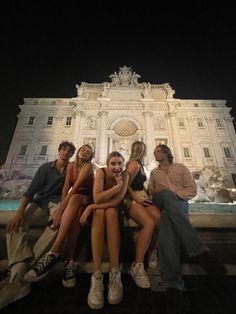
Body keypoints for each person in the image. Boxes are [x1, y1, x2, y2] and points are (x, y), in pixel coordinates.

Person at [148, 144, 227, 314]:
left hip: (177, 205)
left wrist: (174, 195)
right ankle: (200, 252)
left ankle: (173, 289)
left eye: (158, 150)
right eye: (154, 152)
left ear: (167, 153)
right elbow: (150, 191)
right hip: (161, 201)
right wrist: (161, 191)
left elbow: (192, 189)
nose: (155, 153)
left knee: (168, 231)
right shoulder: (154, 173)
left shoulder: (182, 168)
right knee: (166, 196)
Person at [0, 141, 76, 310]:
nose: (65, 153)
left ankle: (17, 276)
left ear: (71, 155)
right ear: (59, 151)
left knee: (58, 225)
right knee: (14, 225)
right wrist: (19, 212)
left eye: (69, 151)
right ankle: (22, 270)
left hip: (57, 204)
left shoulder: (72, 170)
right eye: (63, 149)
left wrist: (62, 209)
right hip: (40, 203)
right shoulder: (45, 168)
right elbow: (31, 191)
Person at [24, 144, 94, 288]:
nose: (85, 152)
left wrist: (60, 210)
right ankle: (69, 263)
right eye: (83, 149)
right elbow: (66, 187)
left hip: (88, 198)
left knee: (74, 198)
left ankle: (54, 252)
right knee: (73, 219)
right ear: (79, 152)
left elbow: (75, 188)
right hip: (75, 201)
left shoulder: (89, 167)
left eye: (89, 151)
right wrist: (63, 206)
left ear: (91, 156)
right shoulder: (70, 166)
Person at [79, 151, 129, 309]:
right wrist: (116, 188)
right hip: (102, 209)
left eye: (120, 163)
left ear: (123, 164)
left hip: (115, 210)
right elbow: (98, 198)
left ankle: (115, 273)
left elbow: (117, 202)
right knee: (100, 212)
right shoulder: (100, 172)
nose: (117, 167)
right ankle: (97, 275)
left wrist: (92, 207)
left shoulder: (125, 176)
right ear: (108, 164)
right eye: (113, 163)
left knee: (111, 211)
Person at [125, 141, 161, 288]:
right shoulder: (133, 164)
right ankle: (138, 265)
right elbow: (125, 184)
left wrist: (148, 194)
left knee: (159, 218)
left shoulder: (139, 165)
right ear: (141, 151)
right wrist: (136, 199)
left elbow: (139, 185)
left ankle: (152, 249)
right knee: (149, 223)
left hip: (142, 196)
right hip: (131, 199)